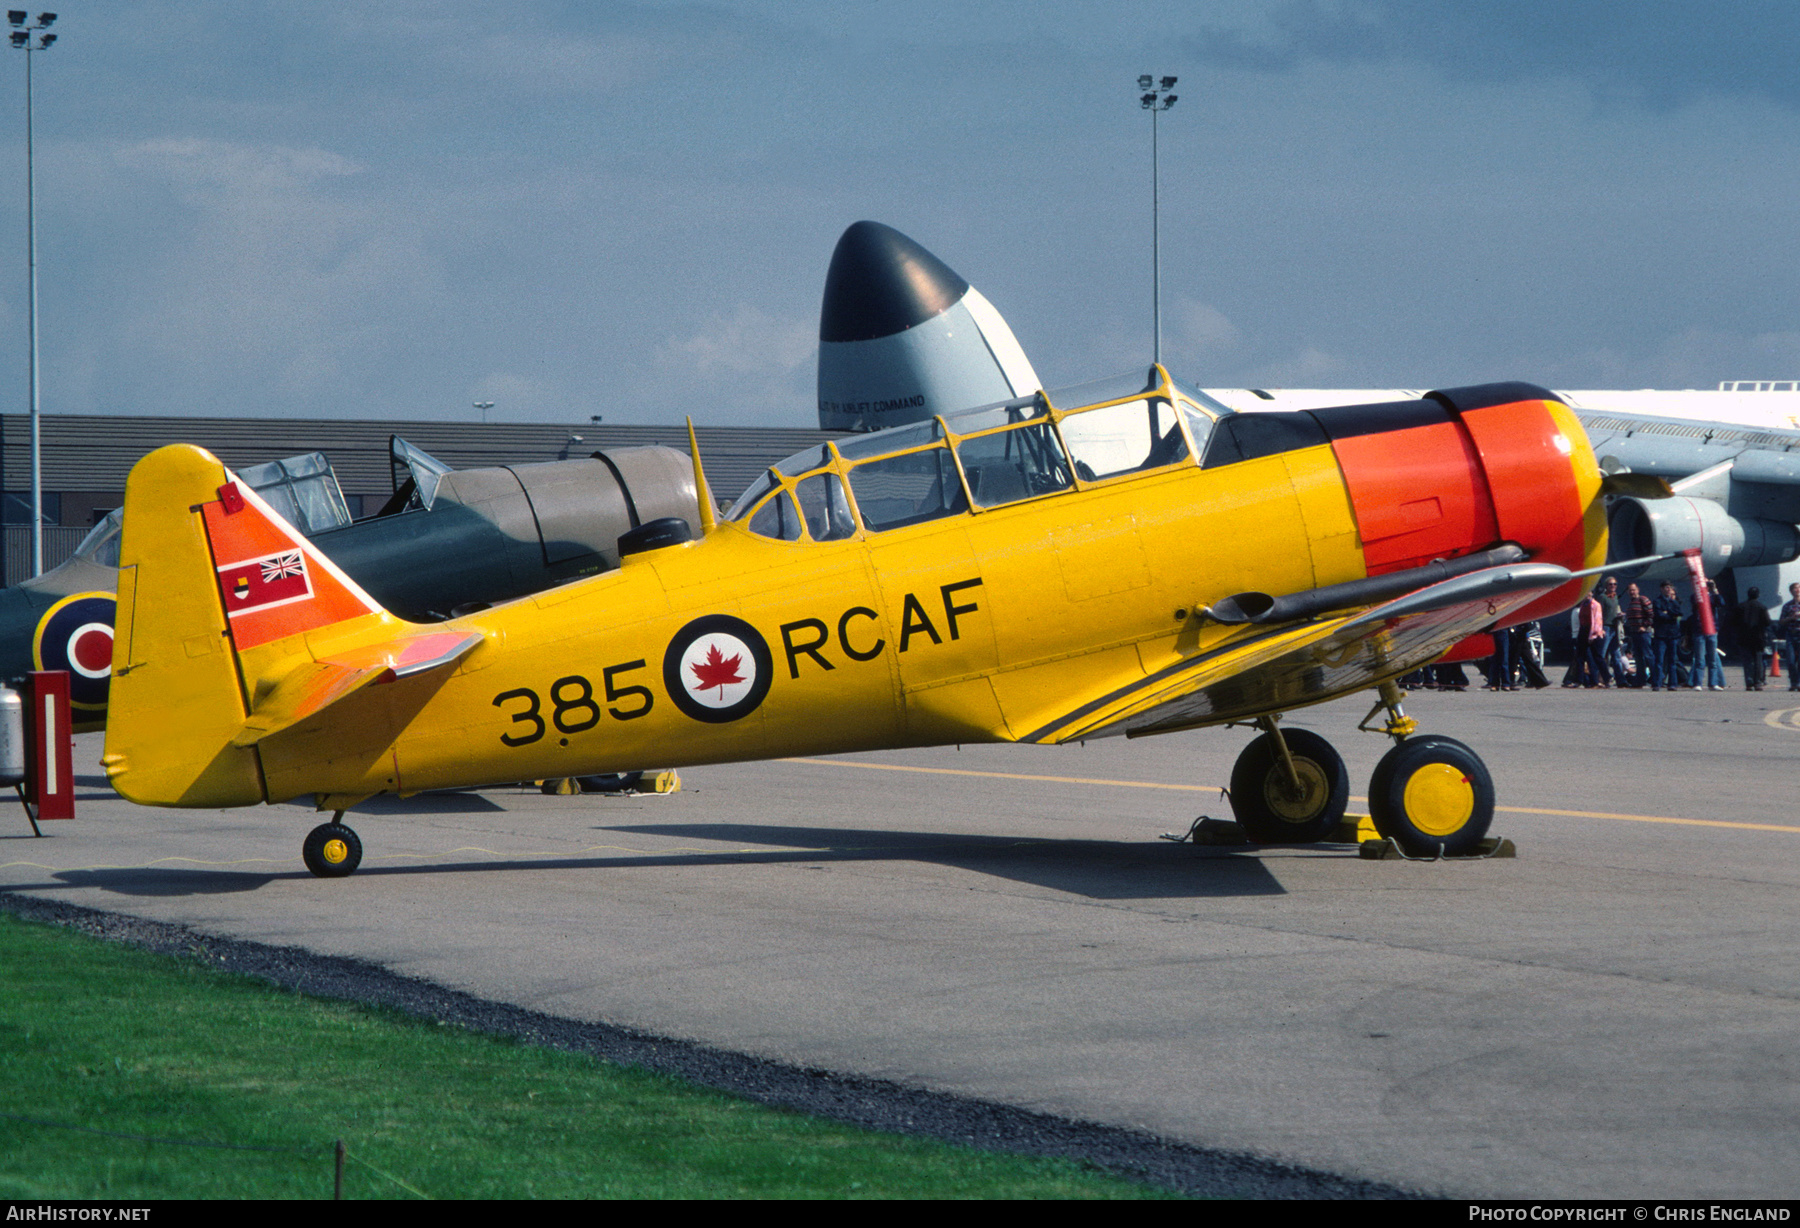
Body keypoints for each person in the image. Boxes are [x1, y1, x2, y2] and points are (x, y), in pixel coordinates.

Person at [1651, 581, 1684, 690]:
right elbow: (1659, 615)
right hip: (1661, 635)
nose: (1668, 589)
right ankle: (1657, 683)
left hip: (1673, 635)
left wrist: (1667, 612)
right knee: (1659, 660)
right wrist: (1670, 615)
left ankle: (1672, 684)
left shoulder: (1674, 602)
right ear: (1662, 588)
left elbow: (1678, 613)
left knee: (1672, 661)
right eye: (1666, 587)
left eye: (1669, 587)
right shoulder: (1657, 601)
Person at [1739, 586, 1772, 691]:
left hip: (1744, 637)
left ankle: (1749, 683)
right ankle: (1757, 682)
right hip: (1758, 637)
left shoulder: (1741, 607)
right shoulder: (1761, 607)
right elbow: (1767, 622)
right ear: (1758, 595)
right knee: (1758, 661)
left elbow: (1734, 622)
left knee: (1747, 661)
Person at [1624, 581, 1655, 688]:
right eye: (1630, 590)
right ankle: (1640, 680)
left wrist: (1644, 626)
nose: (1632, 592)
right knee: (1638, 657)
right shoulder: (1631, 602)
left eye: (1633, 590)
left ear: (1638, 590)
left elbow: (1651, 614)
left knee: (1648, 656)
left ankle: (1655, 679)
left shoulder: (1643, 599)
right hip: (1634, 632)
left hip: (1643, 633)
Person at [1781, 582, 1800, 691]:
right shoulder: (1787, 606)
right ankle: (1793, 682)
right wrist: (1791, 618)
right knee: (1791, 660)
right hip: (1791, 634)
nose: (1797, 590)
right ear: (1791, 591)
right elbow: (1782, 621)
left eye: (1798, 588)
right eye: (1794, 589)